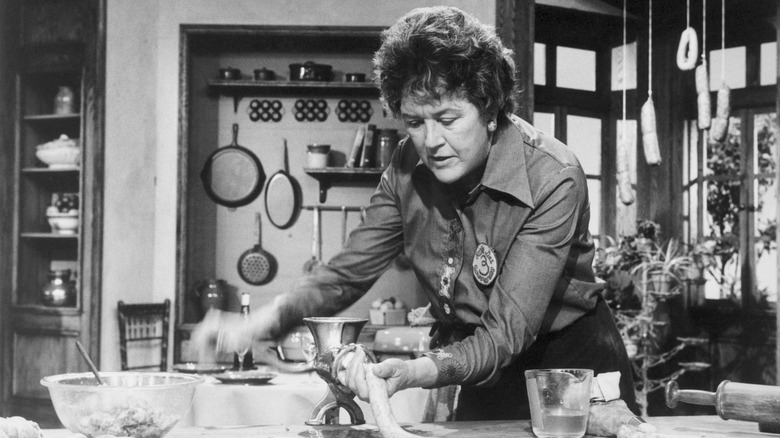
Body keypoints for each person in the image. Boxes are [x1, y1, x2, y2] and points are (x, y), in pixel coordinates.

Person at [192, 5, 639, 423]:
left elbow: (506, 332)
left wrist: (417, 372)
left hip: (573, 368)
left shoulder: (553, 176)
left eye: (448, 118)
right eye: (415, 121)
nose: (431, 141)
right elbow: (344, 276)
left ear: (490, 110)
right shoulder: (406, 166)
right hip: (477, 364)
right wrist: (259, 322)